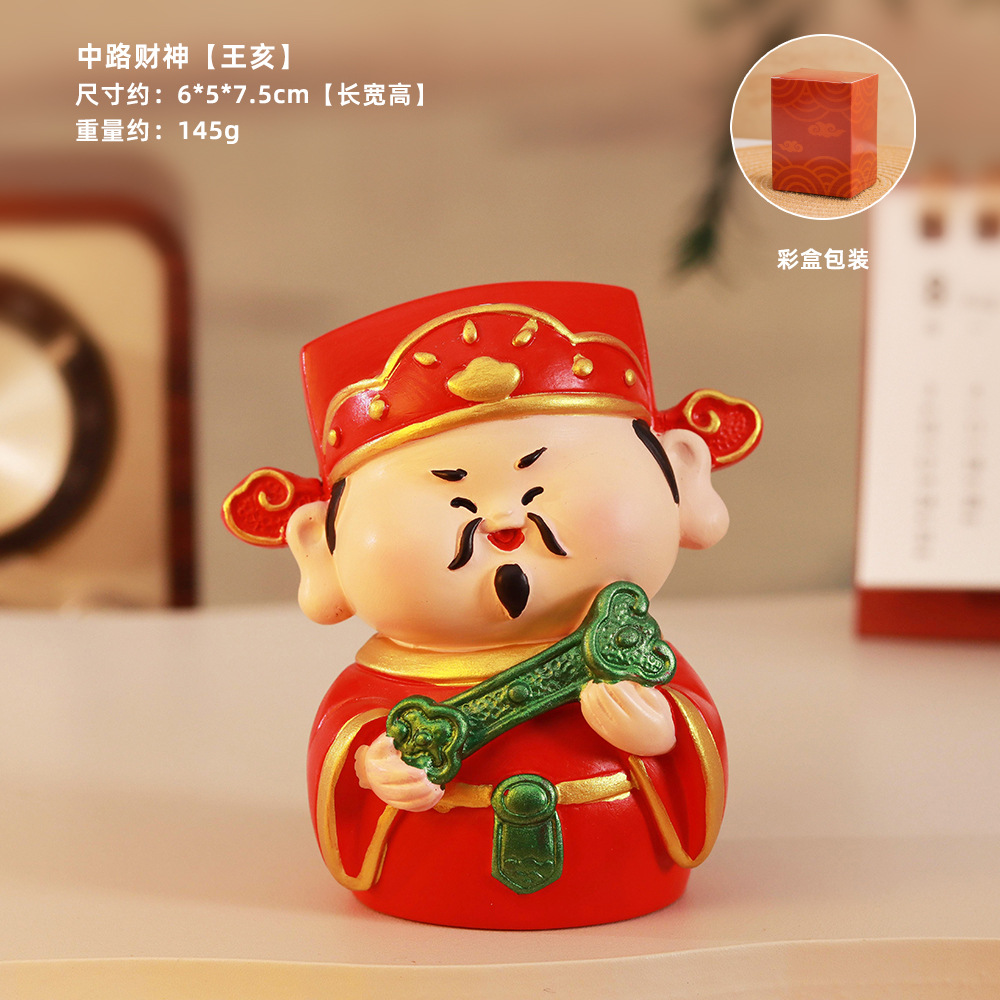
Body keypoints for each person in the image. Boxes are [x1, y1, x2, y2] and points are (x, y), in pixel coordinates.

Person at [222, 281, 761, 928]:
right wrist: (370, 764)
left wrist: (662, 734)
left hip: (621, 874)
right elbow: (346, 739)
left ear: (680, 473)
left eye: (541, 476)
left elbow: (694, 726)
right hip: (429, 881)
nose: (505, 519)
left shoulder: (629, 653)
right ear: (321, 544)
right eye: (449, 489)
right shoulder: (383, 678)